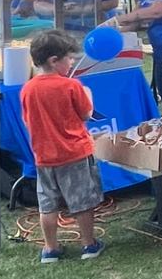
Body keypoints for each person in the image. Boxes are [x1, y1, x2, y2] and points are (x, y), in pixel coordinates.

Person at [20, 30, 103, 265]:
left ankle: (50, 248)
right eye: (68, 58)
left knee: (47, 204)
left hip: (44, 156)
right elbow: (86, 114)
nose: (72, 61)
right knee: (82, 202)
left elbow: (28, 120)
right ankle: (89, 243)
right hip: (74, 153)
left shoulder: (27, 88)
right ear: (53, 60)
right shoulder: (71, 86)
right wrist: (88, 95)